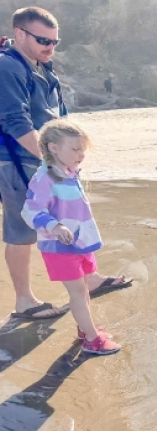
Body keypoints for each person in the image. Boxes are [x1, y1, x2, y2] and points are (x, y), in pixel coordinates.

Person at [21, 120, 122, 354]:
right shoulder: (44, 177)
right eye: (75, 149)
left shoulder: (68, 171)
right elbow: (31, 210)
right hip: (60, 247)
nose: (81, 154)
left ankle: (85, 329)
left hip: (80, 243)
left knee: (84, 289)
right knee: (77, 292)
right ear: (54, 148)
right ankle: (92, 340)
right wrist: (54, 226)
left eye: (83, 149)